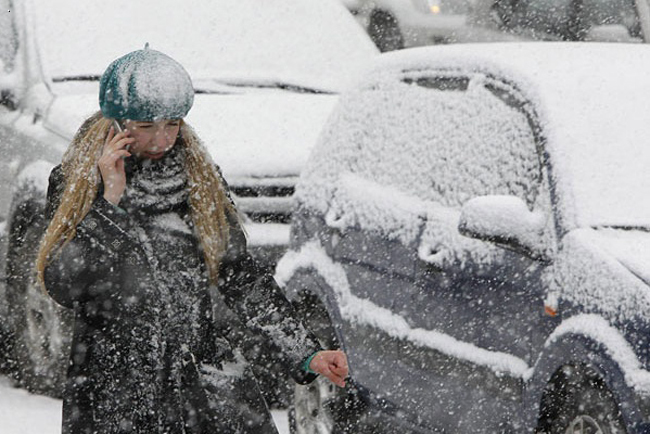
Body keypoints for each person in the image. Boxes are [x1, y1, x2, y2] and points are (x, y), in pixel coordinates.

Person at [35, 48, 348, 434]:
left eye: (173, 123)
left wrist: (307, 352)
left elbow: (240, 276)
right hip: (114, 390)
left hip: (199, 386)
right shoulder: (79, 182)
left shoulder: (197, 179)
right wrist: (109, 204)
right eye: (147, 125)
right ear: (115, 120)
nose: (162, 138)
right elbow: (64, 284)